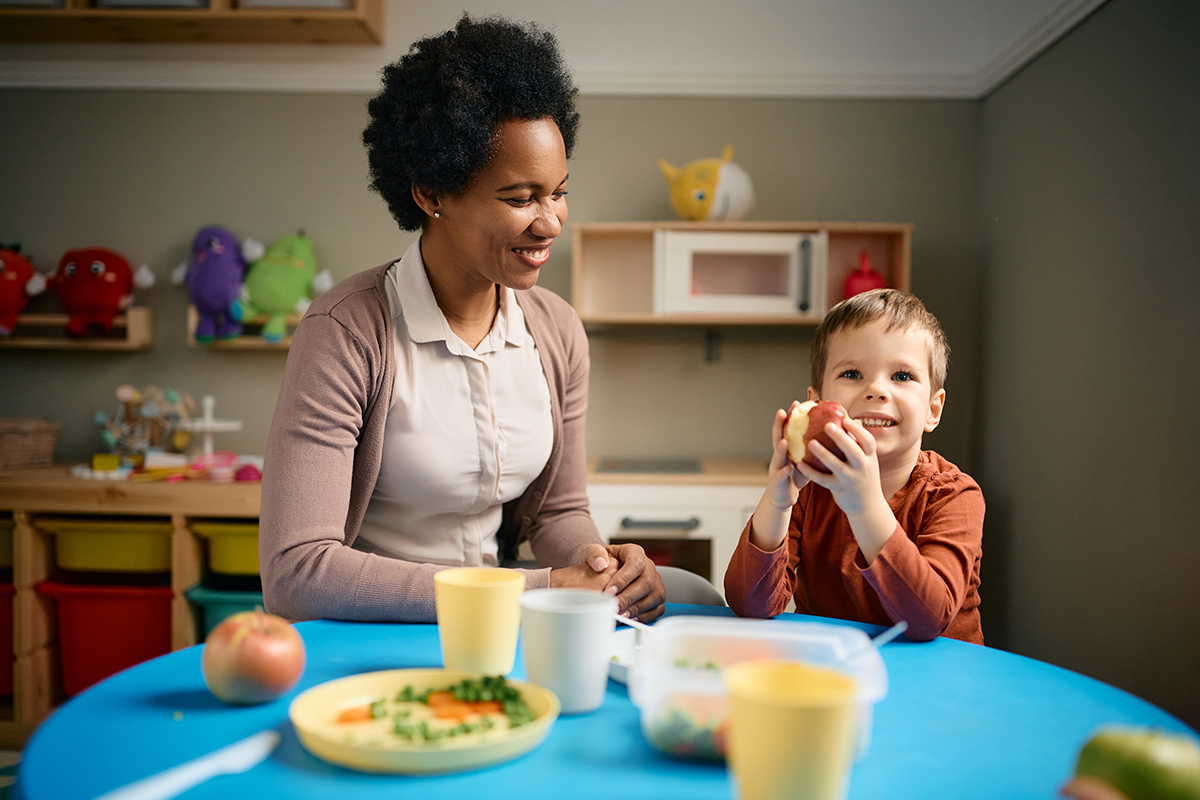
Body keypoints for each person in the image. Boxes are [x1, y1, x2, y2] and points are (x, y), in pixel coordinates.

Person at [259, 14, 665, 624]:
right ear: (432, 193)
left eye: (558, 192)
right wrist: (542, 587)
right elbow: (297, 572)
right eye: (520, 198)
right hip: (372, 634)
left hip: (499, 626)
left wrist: (601, 568)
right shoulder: (346, 332)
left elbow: (556, 511)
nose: (551, 221)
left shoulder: (555, 331)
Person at [724, 289, 983, 643]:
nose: (877, 390)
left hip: (937, 684)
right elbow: (749, 605)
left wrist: (865, 505)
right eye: (852, 373)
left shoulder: (955, 496)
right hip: (835, 675)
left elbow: (927, 620)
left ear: (932, 410)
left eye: (902, 376)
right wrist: (778, 500)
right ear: (817, 402)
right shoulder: (809, 490)